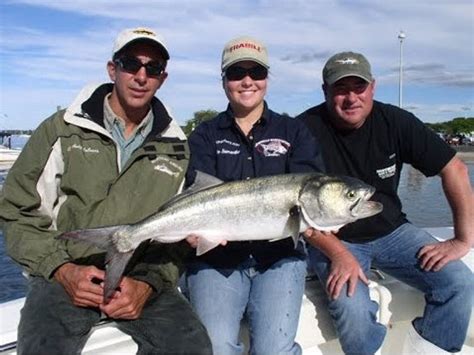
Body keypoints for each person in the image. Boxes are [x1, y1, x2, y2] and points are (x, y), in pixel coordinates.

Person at [0, 27, 211, 355]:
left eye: (152, 68)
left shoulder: (177, 147)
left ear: (162, 78)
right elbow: (16, 209)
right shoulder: (62, 128)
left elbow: (180, 237)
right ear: (112, 69)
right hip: (65, 272)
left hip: (140, 274)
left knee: (192, 346)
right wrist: (60, 269)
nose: (141, 76)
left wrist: (148, 283)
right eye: (131, 63)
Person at [298, 51, 474, 354]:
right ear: (325, 91)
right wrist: (339, 254)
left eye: (359, 87)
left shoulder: (394, 121)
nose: (351, 97)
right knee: (352, 310)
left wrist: (463, 239)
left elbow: (454, 168)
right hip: (332, 237)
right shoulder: (304, 131)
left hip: (393, 232)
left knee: (458, 282)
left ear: (373, 88)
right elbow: (295, 210)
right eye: (341, 89)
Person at [184, 36, 326, 355]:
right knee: (215, 347)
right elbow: (197, 190)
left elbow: (310, 191)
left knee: (274, 349)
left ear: (267, 79)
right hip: (215, 259)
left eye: (256, 72)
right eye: (236, 73)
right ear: (224, 80)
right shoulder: (204, 135)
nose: (247, 80)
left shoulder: (294, 132)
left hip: (280, 258)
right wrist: (193, 234)